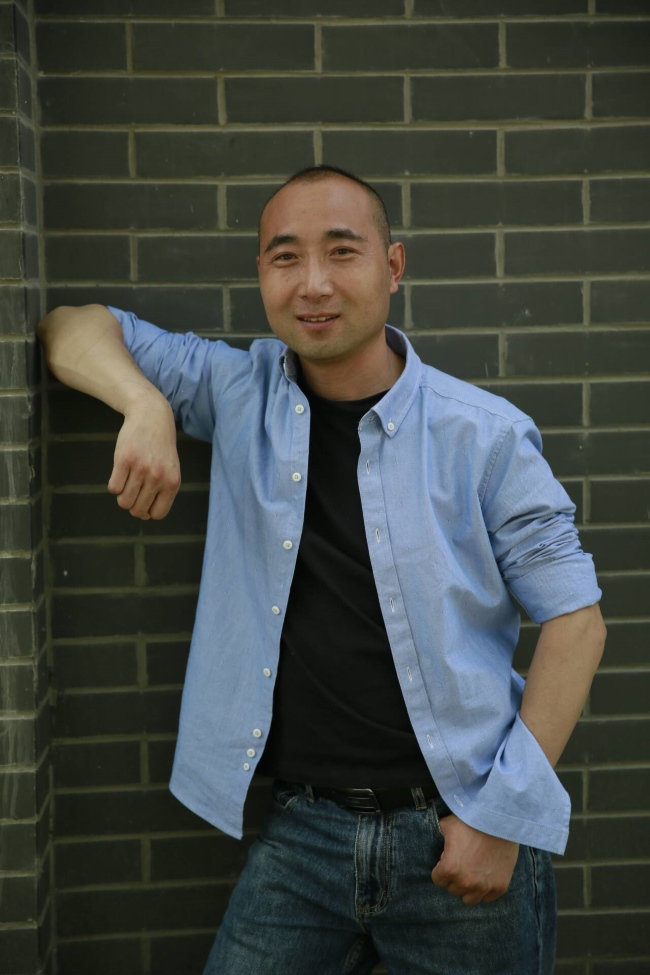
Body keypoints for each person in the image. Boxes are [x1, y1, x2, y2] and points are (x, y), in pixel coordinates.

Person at [38, 165, 606, 975]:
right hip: (301, 835)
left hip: (458, 825)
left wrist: (503, 817)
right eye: (285, 257)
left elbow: (577, 621)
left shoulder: (484, 436)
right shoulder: (237, 393)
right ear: (260, 274)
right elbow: (70, 327)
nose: (313, 283)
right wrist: (145, 403)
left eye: (342, 252)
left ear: (393, 266)